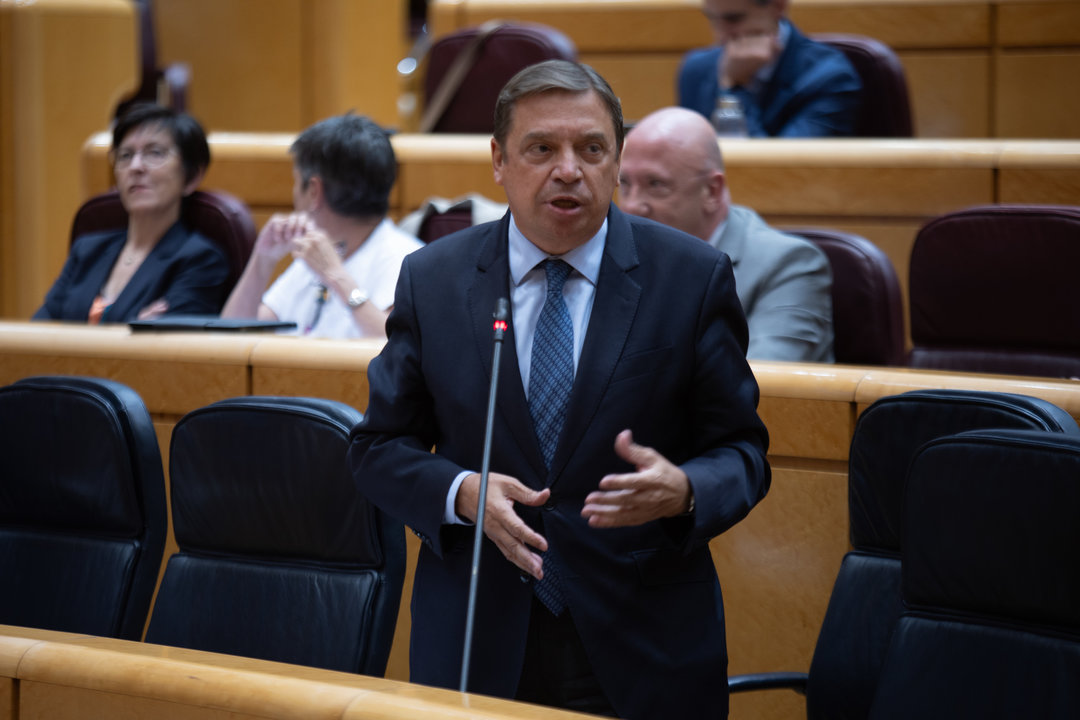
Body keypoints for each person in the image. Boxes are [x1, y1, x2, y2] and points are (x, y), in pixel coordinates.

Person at [349, 60, 770, 719]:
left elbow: (743, 452)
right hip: (476, 638)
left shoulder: (690, 278)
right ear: (498, 160)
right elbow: (377, 448)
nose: (568, 169)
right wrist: (461, 493)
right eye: (542, 148)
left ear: (617, 158)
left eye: (591, 148)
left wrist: (685, 490)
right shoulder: (434, 280)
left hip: (642, 641)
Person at [619, 106, 834, 362]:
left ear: (711, 191)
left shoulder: (788, 265)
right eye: (624, 184)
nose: (631, 206)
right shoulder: (615, 255)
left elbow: (765, 385)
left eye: (655, 184)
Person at [220, 114, 422, 338]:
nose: (294, 193)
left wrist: (337, 277)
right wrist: (262, 260)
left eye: (296, 182)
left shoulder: (409, 261)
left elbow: (396, 350)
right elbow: (232, 335)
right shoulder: (313, 253)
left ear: (314, 191)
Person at [34, 103, 228, 323]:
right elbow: (41, 331)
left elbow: (169, 351)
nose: (135, 166)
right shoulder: (87, 251)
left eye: (155, 153)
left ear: (192, 176)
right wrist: (133, 327)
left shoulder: (199, 260)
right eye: (125, 156)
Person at [678, 0, 861, 137]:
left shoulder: (829, 77)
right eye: (712, 18)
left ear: (778, 7)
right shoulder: (697, 69)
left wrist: (735, 88)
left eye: (733, 19)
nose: (719, 34)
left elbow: (780, 170)